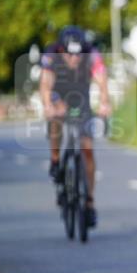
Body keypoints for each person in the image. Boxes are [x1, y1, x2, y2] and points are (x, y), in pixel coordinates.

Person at [39, 26, 112, 228]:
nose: (74, 59)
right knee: (55, 122)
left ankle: (88, 201)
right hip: (59, 96)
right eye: (70, 55)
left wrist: (105, 101)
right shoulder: (51, 54)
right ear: (62, 50)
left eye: (78, 54)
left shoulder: (92, 53)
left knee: (87, 150)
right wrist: (48, 105)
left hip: (82, 101)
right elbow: (45, 84)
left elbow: (101, 79)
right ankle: (55, 160)